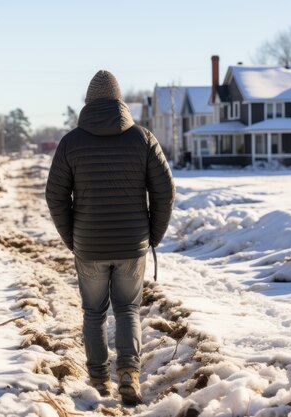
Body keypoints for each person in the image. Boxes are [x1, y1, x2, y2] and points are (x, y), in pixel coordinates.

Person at [45, 70, 175, 405]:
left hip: (89, 245)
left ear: (88, 103)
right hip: (133, 244)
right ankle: (129, 374)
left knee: (93, 312)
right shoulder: (142, 139)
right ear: (120, 102)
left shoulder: (71, 143)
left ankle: (100, 379)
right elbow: (165, 191)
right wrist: (153, 235)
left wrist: (72, 237)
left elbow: (55, 195)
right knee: (129, 309)